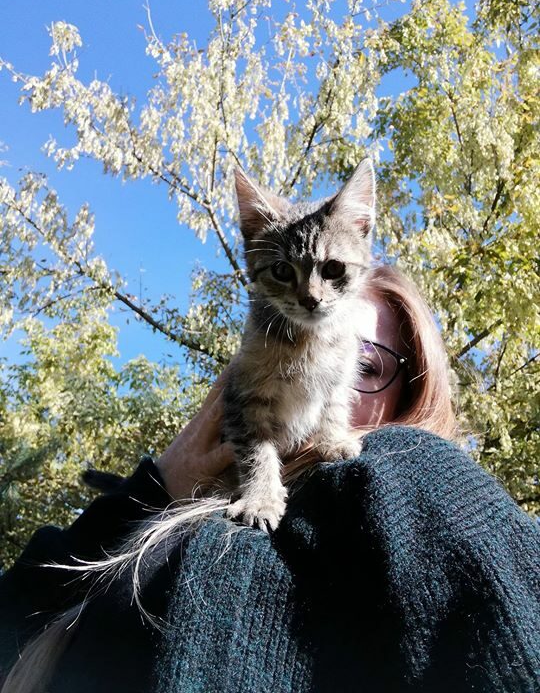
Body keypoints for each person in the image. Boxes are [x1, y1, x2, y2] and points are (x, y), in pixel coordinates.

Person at [0, 265, 538, 693]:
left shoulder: (412, 478)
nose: (312, 365)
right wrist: (158, 486)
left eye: (363, 363)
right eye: (292, 333)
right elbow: (17, 618)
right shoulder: (188, 523)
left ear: (409, 398)